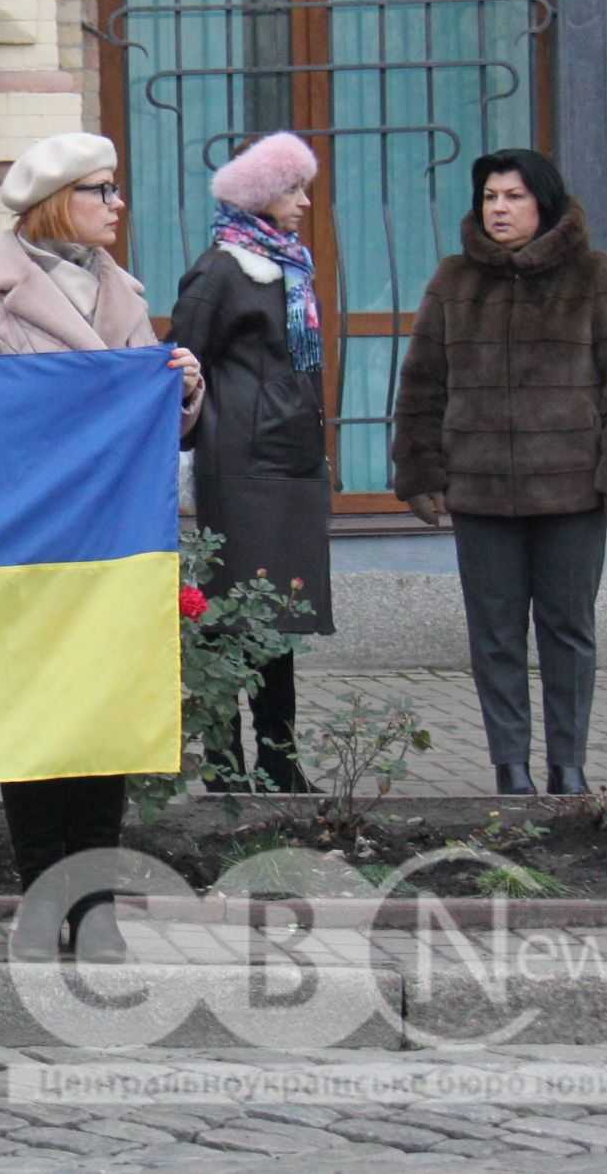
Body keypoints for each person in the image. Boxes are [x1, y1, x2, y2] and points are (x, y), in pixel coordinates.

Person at [0, 132, 203, 963]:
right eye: (102, 190)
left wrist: (184, 388)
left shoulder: (123, 293)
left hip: (109, 551)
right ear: (58, 203)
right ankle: (43, 897)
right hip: (18, 555)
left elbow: (151, 431)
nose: (118, 204)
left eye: (115, 190)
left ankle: (101, 904)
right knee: (33, 728)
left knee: (102, 724)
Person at [392, 148, 607, 798]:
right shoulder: (455, 281)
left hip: (572, 492)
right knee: (496, 634)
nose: (500, 208)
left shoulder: (593, 275)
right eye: (490, 197)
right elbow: (422, 384)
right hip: (480, 493)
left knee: (568, 631)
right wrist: (420, 469)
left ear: (544, 203)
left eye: (513, 196)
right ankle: (511, 769)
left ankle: (568, 767)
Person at [169, 132, 337, 796]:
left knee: (278, 614)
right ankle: (223, 760)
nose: (302, 203)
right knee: (230, 613)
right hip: (238, 463)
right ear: (265, 197)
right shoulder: (222, 268)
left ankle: (278, 758)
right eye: (294, 190)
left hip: (289, 461)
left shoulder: (290, 265)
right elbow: (183, 357)